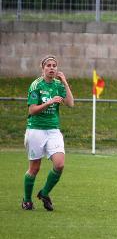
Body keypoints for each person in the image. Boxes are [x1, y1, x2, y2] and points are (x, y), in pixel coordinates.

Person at [22, 55, 74, 211]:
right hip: (36, 130)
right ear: (42, 68)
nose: (52, 68)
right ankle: (27, 200)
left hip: (53, 130)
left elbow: (71, 104)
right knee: (35, 168)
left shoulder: (58, 85)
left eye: (54, 65)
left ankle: (44, 193)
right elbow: (32, 110)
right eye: (48, 65)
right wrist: (50, 102)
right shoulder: (36, 85)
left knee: (59, 164)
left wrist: (64, 82)